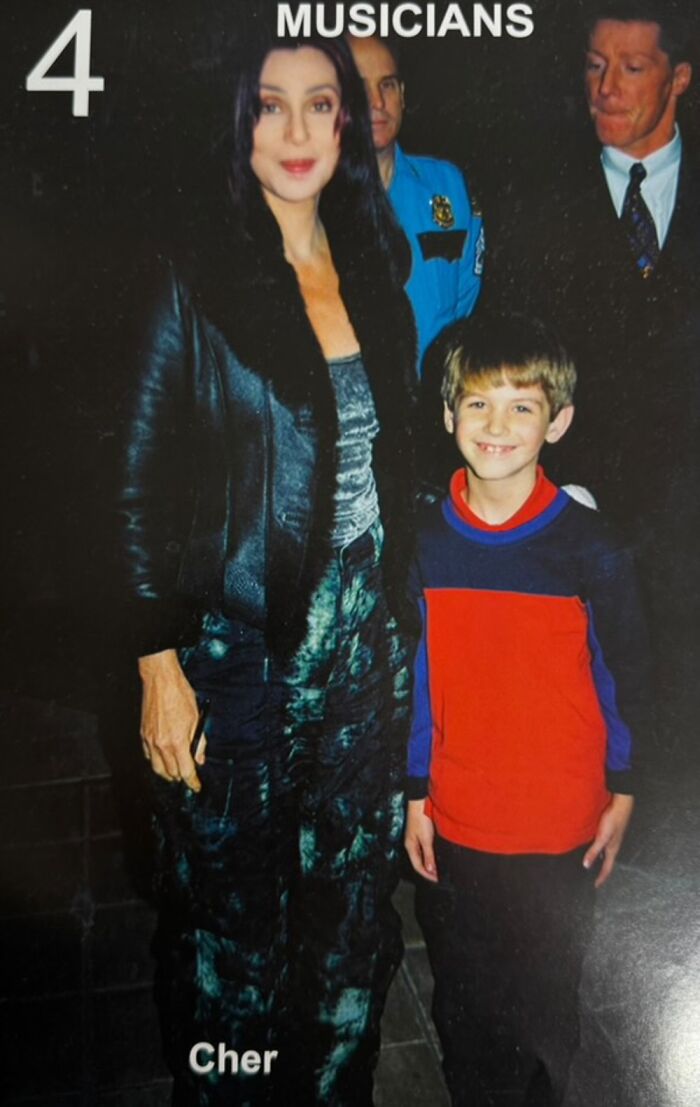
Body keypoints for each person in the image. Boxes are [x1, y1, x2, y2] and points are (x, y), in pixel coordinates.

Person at [117, 27, 417, 1107]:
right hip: (236, 650)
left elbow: (397, 453)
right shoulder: (188, 272)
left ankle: (335, 1091)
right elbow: (136, 475)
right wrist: (157, 663)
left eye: (321, 104)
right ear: (240, 122)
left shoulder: (373, 259)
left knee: (349, 911)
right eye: (271, 105)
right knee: (231, 927)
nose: (298, 131)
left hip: (363, 646)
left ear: (348, 121)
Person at [404, 313, 650, 1106]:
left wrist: (626, 786)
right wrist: (414, 794)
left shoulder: (591, 546)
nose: (497, 425)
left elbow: (628, 675)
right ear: (447, 416)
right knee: (467, 1004)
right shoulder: (425, 544)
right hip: (461, 818)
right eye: (477, 403)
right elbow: (414, 677)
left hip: (559, 824)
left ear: (560, 420)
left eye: (522, 405)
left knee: (545, 1007)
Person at [486, 1, 699, 756]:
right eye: (593, 66)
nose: (605, 87)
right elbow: (505, 350)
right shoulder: (533, 192)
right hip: (579, 511)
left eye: (631, 68)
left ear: (679, 78)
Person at [347, 33, 484, 374]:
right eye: (357, 87)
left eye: (388, 85)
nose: (376, 101)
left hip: (431, 408)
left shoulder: (448, 185)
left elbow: (466, 301)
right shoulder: (304, 201)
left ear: (403, 95)